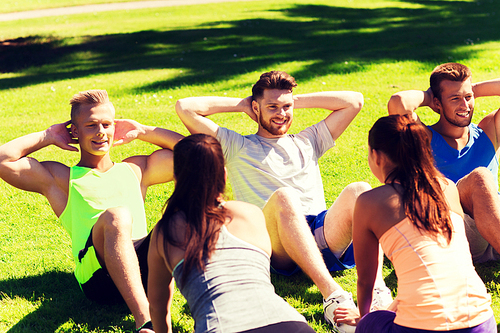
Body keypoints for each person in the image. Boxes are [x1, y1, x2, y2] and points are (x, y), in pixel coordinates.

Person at [175, 71, 392, 332]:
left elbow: (354, 101)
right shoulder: (236, 146)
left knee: (361, 190)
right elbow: (185, 108)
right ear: (256, 108)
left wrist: (294, 100)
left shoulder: (308, 141)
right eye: (272, 107)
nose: (281, 114)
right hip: (277, 241)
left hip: (320, 233)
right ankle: (333, 296)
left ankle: (377, 292)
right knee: (284, 196)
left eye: (286, 107)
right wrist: (243, 105)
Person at [0, 90, 183, 333]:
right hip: (98, 277)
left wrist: (144, 131)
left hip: (144, 268)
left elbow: (196, 155)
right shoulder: (63, 179)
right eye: (90, 125)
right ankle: (146, 321)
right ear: (75, 132)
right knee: (116, 216)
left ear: (114, 127)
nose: (100, 132)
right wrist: (50, 135)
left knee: (180, 219)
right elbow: (4, 160)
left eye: (106, 124)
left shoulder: (136, 169)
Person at [335, 114, 496, 332]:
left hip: (423, 328)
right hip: (482, 322)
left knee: (371, 323)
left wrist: (364, 317)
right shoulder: (447, 188)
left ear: (376, 156)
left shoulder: (369, 202)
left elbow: (366, 281)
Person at [148, 133, 317, 333]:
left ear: (176, 177)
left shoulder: (165, 231)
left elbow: (157, 304)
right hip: (292, 325)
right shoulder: (251, 214)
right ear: (224, 175)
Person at [387, 62, 500, 264]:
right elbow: (398, 102)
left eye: (468, 98)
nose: (465, 106)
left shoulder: (488, 131)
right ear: (437, 104)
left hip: (494, 224)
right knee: (480, 177)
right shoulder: (423, 138)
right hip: (456, 231)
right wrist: (430, 96)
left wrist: (474, 89)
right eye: (455, 99)